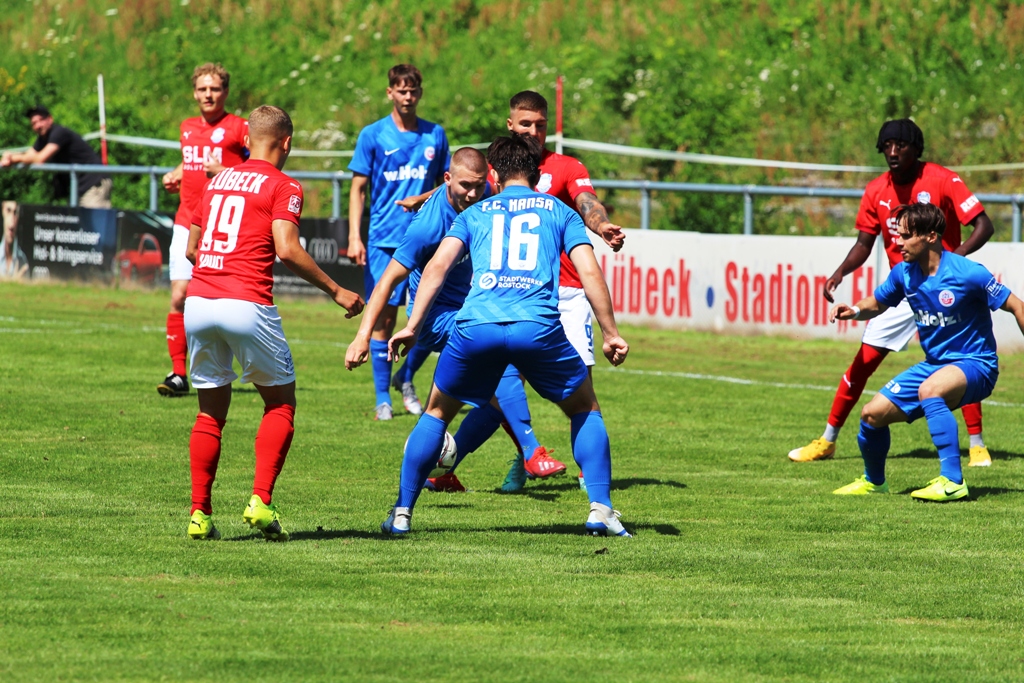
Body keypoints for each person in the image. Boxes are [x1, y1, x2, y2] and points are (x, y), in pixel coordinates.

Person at [381, 135, 631, 536]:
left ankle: (402, 513)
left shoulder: (474, 213)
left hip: (476, 326)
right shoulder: (559, 211)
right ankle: (600, 509)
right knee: (585, 408)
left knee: (437, 412)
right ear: (537, 173)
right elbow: (589, 272)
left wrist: (412, 326)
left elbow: (437, 267)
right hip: (538, 328)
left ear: (493, 175)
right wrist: (611, 333)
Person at [182, 105, 363, 541]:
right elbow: (287, 247)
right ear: (287, 143)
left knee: (210, 415)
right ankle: (260, 501)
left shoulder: (218, 178)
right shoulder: (284, 184)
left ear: (246, 139)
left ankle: (199, 514)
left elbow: (192, 247)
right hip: (245, 302)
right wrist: (337, 290)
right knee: (280, 404)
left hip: (199, 300)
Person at [345, 147, 568, 492]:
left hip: (473, 309)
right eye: (465, 186)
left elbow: (466, 190)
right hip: (435, 317)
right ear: (448, 180)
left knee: (495, 402)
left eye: (479, 186)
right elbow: (388, 279)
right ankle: (531, 451)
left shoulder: (488, 196)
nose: (473, 194)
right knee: (505, 367)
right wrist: (362, 336)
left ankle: (445, 471)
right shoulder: (427, 227)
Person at [788, 119, 996, 466]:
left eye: (901, 145)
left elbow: (984, 225)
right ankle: (827, 441)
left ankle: (976, 445)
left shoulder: (944, 180)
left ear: (917, 148)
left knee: (957, 361)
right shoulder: (875, 190)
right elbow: (863, 242)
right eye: (887, 146)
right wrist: (840, 272)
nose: (893, 152)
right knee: (863, 363)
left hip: (944, 291)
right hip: (904, 290)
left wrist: (951, 263)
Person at [830, 202, 1024, 500]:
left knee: (930, 390)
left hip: (976, 363)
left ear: (931, 236)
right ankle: (874, 481)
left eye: (907, 236)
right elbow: (879, 302)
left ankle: (952, 481)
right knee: (871, 415)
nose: (898, 242)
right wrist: (854, 310)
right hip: (934, 364)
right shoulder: (904, 274)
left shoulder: (968, 273)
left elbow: (1016, 305)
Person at [347, 64, 449, 421]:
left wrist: (423, 199)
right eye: (400, 90)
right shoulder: (373, 135)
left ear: (420, 93)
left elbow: (448, 183)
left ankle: (405, 377)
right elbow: (358, 188)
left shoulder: (435, 135)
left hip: (428, 238)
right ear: (390, 92)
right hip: (384, 239)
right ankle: (382, 399)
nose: (407, 96)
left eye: (413, 90)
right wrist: (354, 236)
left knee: (428, 317)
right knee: (384, 320)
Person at [158, 63, 249, 397]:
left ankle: (236, 365)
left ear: (225, 92)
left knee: (228, 300)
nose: (208, 95)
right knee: (180, 294)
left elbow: (262, 168)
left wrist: (224, 170)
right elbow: (192, 162)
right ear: (194, 92)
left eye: (214, 89)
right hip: (187, 220)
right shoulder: (186, 128)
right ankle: (179, 375)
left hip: (225, 224)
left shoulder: (240, 128)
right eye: (202, 89)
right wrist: (177, 174)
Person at [0, 106, 112, 208]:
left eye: (41, 120)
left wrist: (13, 158)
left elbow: (39, 159)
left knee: (97, 225)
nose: (38, 125)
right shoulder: (43, 139)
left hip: (94, 183)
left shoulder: (59, 133)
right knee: (79, 226)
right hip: (79, 187)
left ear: (50, 119)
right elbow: (29, 155)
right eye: (34, 123)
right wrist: (9, 156)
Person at [1, 201, 29, 280]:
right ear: (2, 211)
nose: (12, 219)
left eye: (15, 212)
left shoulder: (22, 260)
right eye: (8, 211)